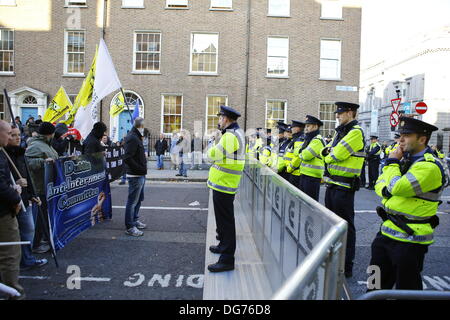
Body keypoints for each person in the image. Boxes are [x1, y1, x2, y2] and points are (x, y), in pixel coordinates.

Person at [369, 116, 446, 290]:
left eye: (407, 135)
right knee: (374, 285)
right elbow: (379, 183)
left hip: (410, 239)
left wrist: (392, 164)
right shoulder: (404, 160)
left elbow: (397, 187)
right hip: (385, 234)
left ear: (422, 139)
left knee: (407, 290)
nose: (400, 140)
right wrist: (388, 186)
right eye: (400, 135)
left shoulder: (429, 166)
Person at [321, 102, 365, 278]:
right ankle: (334, 260)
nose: (337, 116)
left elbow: (335, 155)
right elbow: (325, 152)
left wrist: (330, 153)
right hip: (333, 185)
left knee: (345, 226)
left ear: (351, 113)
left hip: (345, 187)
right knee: (333, 225)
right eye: (337, 113)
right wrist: (330, 152)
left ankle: (346, 265)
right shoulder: (341, 132)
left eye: (340, 113)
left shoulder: (355, 132)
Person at [207, 106, 245, 272]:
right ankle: (223, 246)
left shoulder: (230, 136)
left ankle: (227, 259)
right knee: (223, 221)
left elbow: (212, 156)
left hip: (225, 184)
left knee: (226, 222)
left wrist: (211, 144)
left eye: (220, 118)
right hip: (224, 183)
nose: (218, 121)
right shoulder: (234, 134)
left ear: (226, 119)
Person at [5, 125, 48, 270]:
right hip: (10, 202)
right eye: (12, 135)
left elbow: (27, 176)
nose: (17, 138)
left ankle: (27, 259)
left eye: (18, 135)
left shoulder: (21, 153)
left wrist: (32, 194)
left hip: (23, 198)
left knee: (28, 229)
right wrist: (15, 184)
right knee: (12, 234)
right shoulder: (3, 155)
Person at [25, 122, 59, 254]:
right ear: (49, 134)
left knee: (45, 215)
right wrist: (44, 162)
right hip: (39, 187)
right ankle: (35, 244)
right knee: (39, 217)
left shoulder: (46, 144)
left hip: (47, 186)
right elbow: (29, 163)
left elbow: (53, 158)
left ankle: (44, 238)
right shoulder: (35, 145)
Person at [0, 120, 25, 299]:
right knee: (10, 253)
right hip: (3, 212)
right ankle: (13, 292)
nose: (11, 138)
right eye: (9, 134)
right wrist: (16, 197)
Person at [290, 115, 325, 201]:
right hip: (304, 174)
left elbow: (306, 156)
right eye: (306, 126)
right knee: (303, 202)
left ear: (316, 126)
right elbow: (295, 151)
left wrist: (300, 153)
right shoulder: (308, 139)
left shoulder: (317, 140)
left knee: (310, 203)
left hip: (312, 177)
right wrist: (301, 152)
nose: (306, 128)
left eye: (308, 126)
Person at [123, 117, 148, 237]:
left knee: (138, 200)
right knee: (132, 201)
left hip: (140, 174)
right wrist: (139, 167)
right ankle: (130, 226)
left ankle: (134, 220)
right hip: (135, 175)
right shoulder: (132, 137)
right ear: (141, 126)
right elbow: (127, 157)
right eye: (144, 126)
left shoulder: (136, 136)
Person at [285, 120, 305, 188]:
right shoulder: (296, 138)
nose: (291, 129)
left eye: (293, 127)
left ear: (297, 129)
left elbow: (298, 157)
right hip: (293, 172)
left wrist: (290, 168)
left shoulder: (300, 140)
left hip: (296, 173)